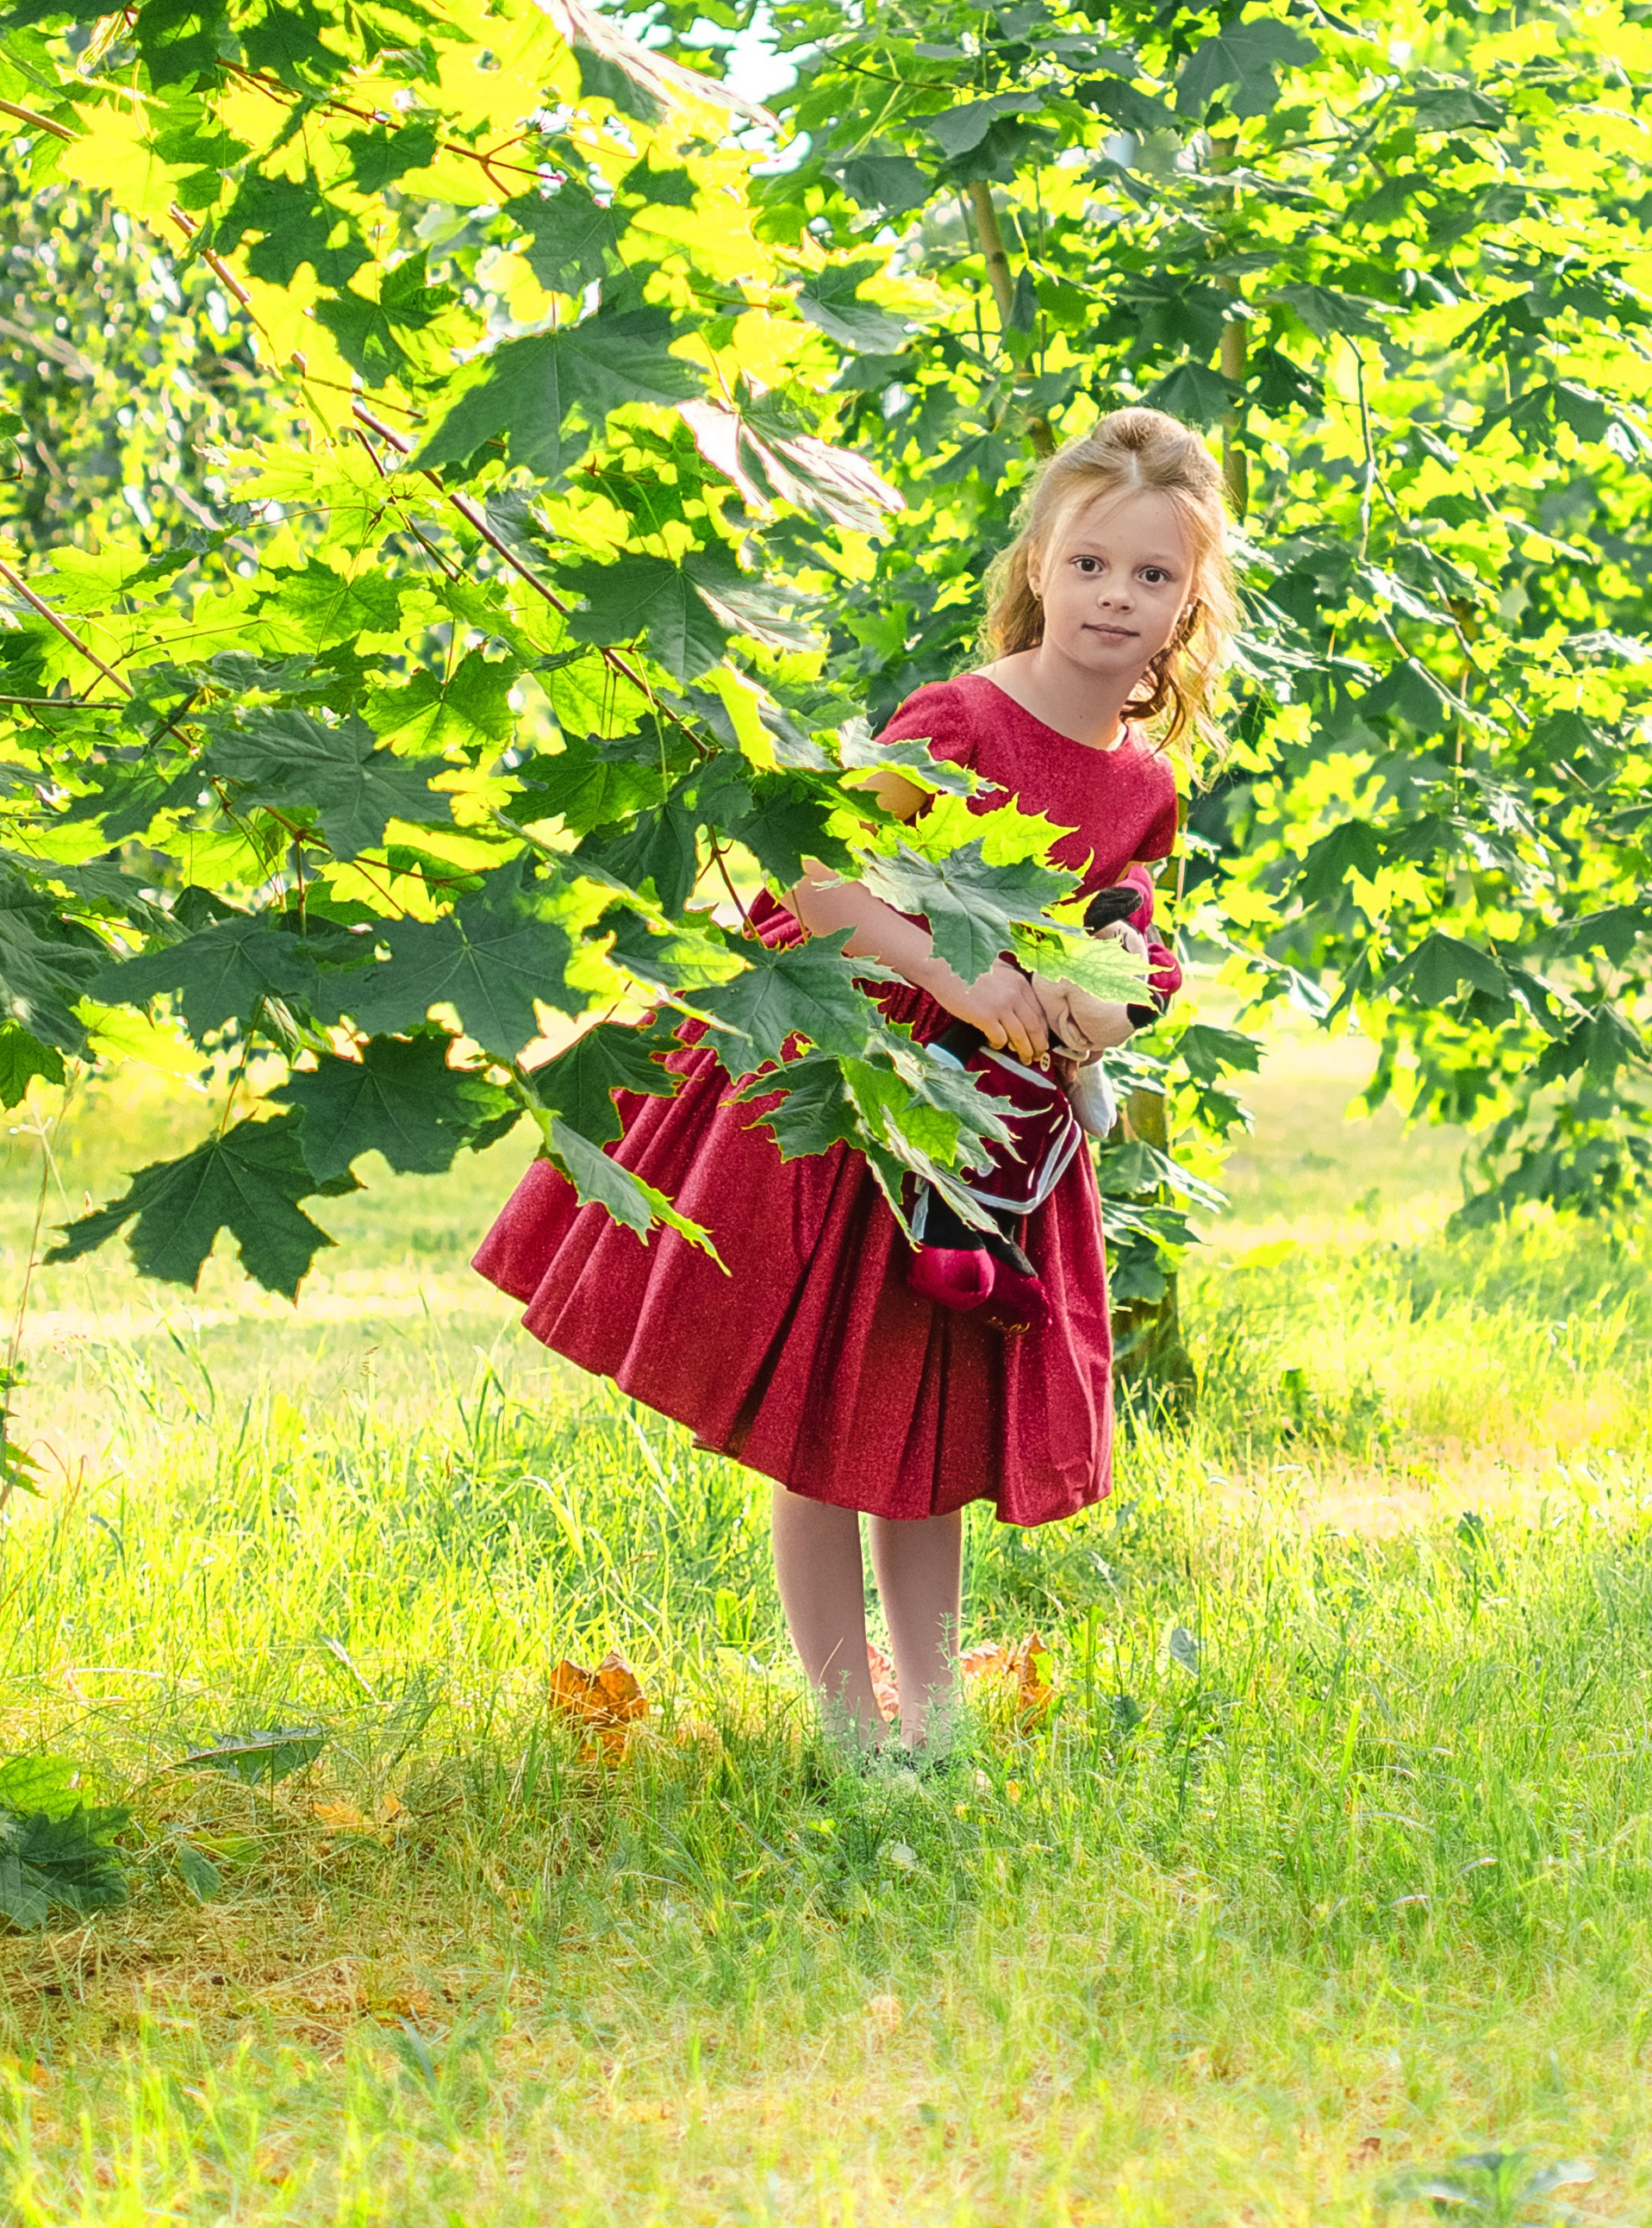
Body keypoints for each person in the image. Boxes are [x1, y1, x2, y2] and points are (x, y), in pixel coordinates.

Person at [473, 407, 1237, 1752]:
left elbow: (1131, 935)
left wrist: (1109, 1012)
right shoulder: (958, 718)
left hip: (990, 1138)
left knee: (921, 1417)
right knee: (826, 1409)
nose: (1117, 597)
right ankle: (842, 1721)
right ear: (1039, 569)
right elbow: (812, 877)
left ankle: (929, 1720)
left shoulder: (1145, 781)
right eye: (1090, 565)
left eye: (1153, 575)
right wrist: (958, 978)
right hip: (857, 1084)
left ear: (1191, 602)